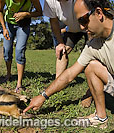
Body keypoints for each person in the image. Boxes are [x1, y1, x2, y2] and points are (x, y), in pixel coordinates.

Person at [24, 0, 114, 129]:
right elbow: (70, 74)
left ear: (99, 13)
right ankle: (100, 117)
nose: (82, 28)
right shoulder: (92, 46)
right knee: (91, 66)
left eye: (83, 20)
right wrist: (43, 96)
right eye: (79, 23)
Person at [0, 0, 42, 93]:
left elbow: (40, 12)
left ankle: (19, 84)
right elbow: (0, 11)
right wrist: (4, 28)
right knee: (7, 50)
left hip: (23, 25)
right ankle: (8, 75)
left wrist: (26, 14)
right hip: (9, 25)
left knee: (19, 51)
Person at [43, 0, 88, 78]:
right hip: (72, 30)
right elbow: (54, 22)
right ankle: (58, 80)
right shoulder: (49, 2)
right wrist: (60, 43)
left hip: (89, 27)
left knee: (92, 52)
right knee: (62, 51)